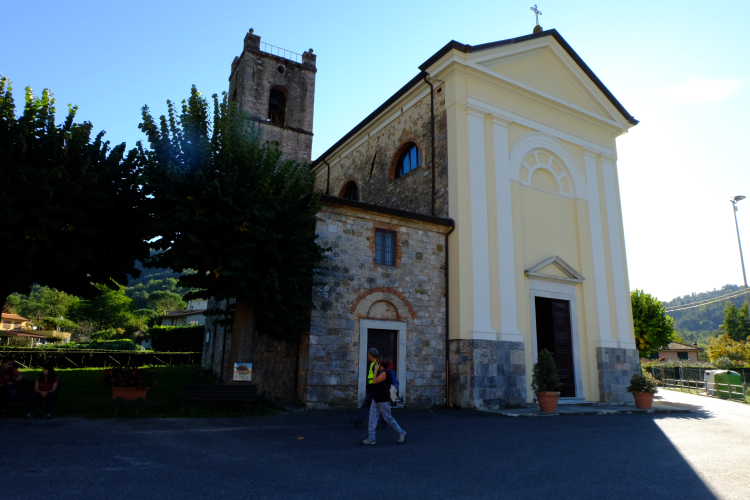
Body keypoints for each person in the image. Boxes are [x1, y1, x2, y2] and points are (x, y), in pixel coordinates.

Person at [361, 356, 406, 445]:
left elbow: (375, 381)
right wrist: (376, 370)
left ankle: (401, 432)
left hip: (383, 399)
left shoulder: (385, 372)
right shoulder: (380, 371)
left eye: (377, 361)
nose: (376, 363)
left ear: (381, 363)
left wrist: (376, 370)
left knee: (388, 418)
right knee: (372, 418)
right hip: (376, 398)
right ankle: (371, 438)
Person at [350, 348, 384, 429]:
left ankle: (384, 423)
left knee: (381, 406)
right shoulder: (373, 363)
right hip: (371, 388)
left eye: (368, 354)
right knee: (366, 404)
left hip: (375, 388)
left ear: (371, 355)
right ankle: (359, 421)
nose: (367, 356)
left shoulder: (377, 364)